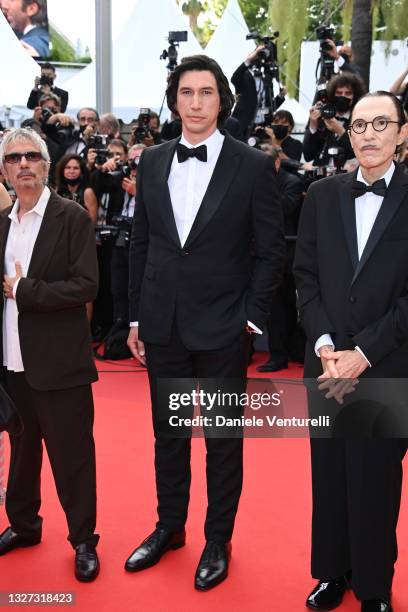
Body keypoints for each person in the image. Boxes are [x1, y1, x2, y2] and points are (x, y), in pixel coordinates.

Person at [125, 54, 285, 590]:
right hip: (163, 325)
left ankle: (218, 538)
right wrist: (136, 318)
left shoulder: (254, 165)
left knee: (221, 439)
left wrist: (252, 318)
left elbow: (270, 252)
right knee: (167, 435)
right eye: (187, 92)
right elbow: (141, 245)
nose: (196, 103)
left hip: (223, 327)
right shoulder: (151, 162)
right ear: (175, 99)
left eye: (206, 93)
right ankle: (170, 526)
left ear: (223, 100)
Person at [294, 91, 408, 612]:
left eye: (380, 123)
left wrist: (364, 351)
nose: (367, 133)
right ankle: (332, 573)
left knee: (376, 482)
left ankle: (375, 587)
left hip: (389, 364)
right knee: (332, 474)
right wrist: (324, 346)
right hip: (326, 365)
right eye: (359, 124)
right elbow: (305, 277)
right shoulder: (322, 196)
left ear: (402, 133)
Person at [0, 127, 100, 581]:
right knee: (20, 453)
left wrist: (26, 290)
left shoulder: (72, 217)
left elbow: (86, 286)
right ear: (4, 171)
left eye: (31, 157)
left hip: (60, 363)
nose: (23, 165)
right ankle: (23, 526)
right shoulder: (2, 224)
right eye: (13, 158)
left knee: (71, 456)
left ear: (46, 164)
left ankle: (83, 540)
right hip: (12, 362)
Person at [257, 144, 304, 371]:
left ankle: (291, 351)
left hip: (288, 255)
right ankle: (277, 354)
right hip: (261, 254)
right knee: (273, 307)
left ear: (276, 162)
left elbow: (285, 209)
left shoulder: (292, 182)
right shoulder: (253, 182)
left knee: (287, 306)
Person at [303, 73, 366, 165]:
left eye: (348, 93)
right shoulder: (324, 116)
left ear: (354, 96)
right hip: (320, 176)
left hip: (345, 176)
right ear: (332, 94)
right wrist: (313, 124)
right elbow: (308, 155)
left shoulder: (360, 120)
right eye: (339, 93)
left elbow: (356, 153)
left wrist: (340, 131)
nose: (343, 96)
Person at [231, 46, 286, 138]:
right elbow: (234, 79)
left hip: (263, 126)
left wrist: (280, 96)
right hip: (244, 126)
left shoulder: (267, 79)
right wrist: (248, 60)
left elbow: (270, 106)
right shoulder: (245, 76)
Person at [55, 154, 98, 223]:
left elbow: (93, 224)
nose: (71, 171)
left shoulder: (88, 192)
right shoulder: (59, 190)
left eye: (76, 168)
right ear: (62, 170)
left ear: (81, 171)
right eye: (68, 167)